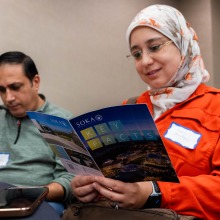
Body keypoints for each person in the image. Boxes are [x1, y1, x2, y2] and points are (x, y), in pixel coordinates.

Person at [70, 4, 220, 220]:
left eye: (155, 47)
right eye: (137, 54)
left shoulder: (215, 108)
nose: (146, 61)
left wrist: (155, 192)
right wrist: (92, 185)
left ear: (183, 43)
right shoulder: (131, 108)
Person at [0, 51, 74, 216]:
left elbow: (69, 179)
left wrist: (37, 193)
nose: (8, 98)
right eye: (1, 90)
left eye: (15, 87)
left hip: (42, 201)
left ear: (35, 82)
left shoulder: (59, 121)